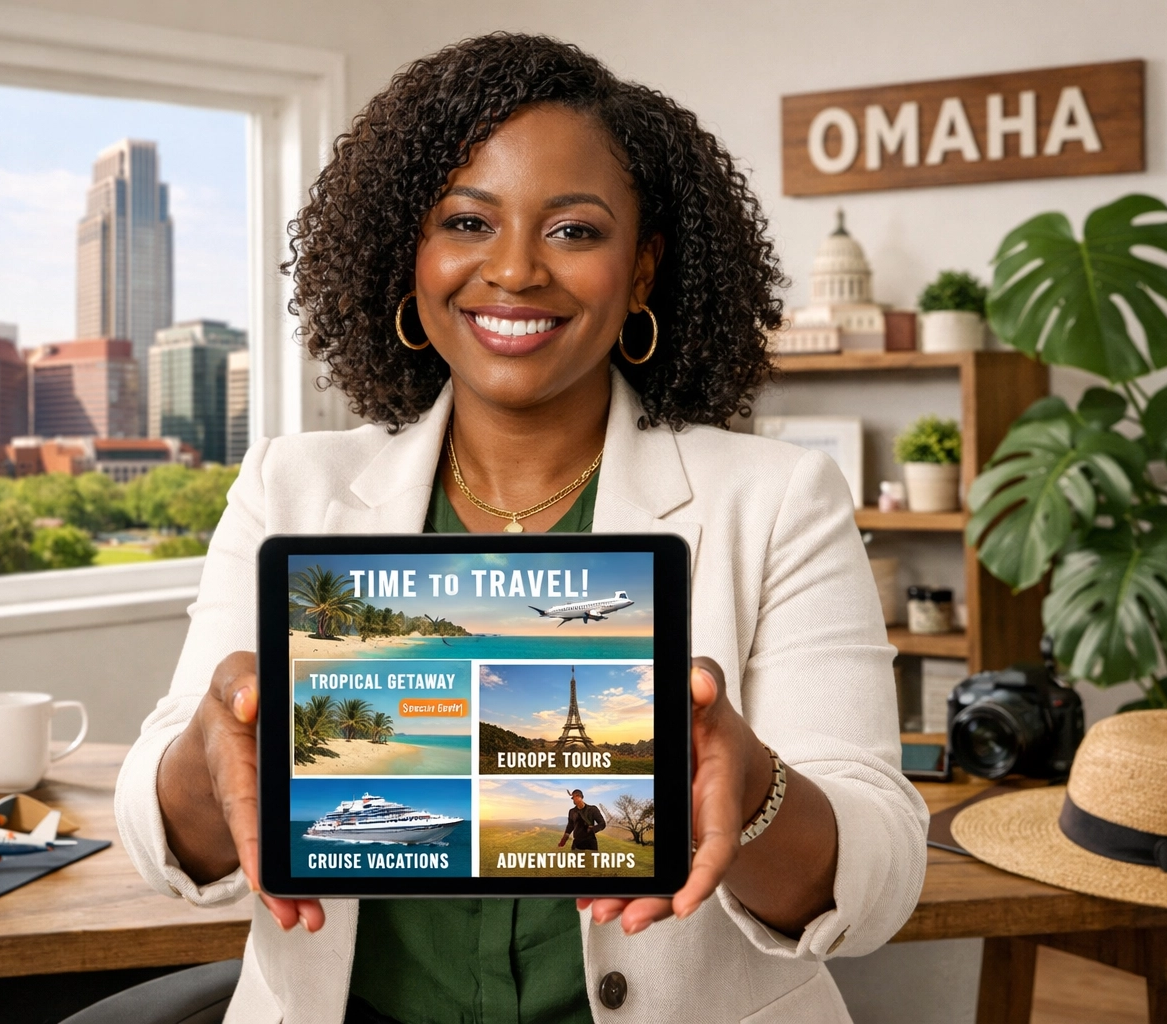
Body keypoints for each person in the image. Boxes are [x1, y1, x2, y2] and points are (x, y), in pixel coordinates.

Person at [116, 32, 927, 1024]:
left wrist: (751, 786)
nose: (513, 269)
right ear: (409, 257)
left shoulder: (782, 499)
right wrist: (209, 757)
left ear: (642, 270)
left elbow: (881, 880)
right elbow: (160, 834)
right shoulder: (293, 485)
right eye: (466, 220)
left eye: (574, 231)